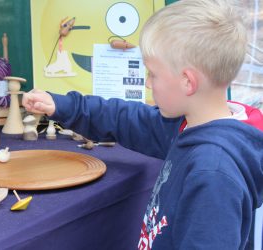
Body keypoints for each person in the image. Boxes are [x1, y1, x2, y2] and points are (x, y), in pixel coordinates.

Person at [22, 0, 263, 249]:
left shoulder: (213, 174)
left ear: (187, 82)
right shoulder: (189, 124)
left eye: (153, 74)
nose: (148, 83)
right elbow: (125, 118)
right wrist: (63, 106)